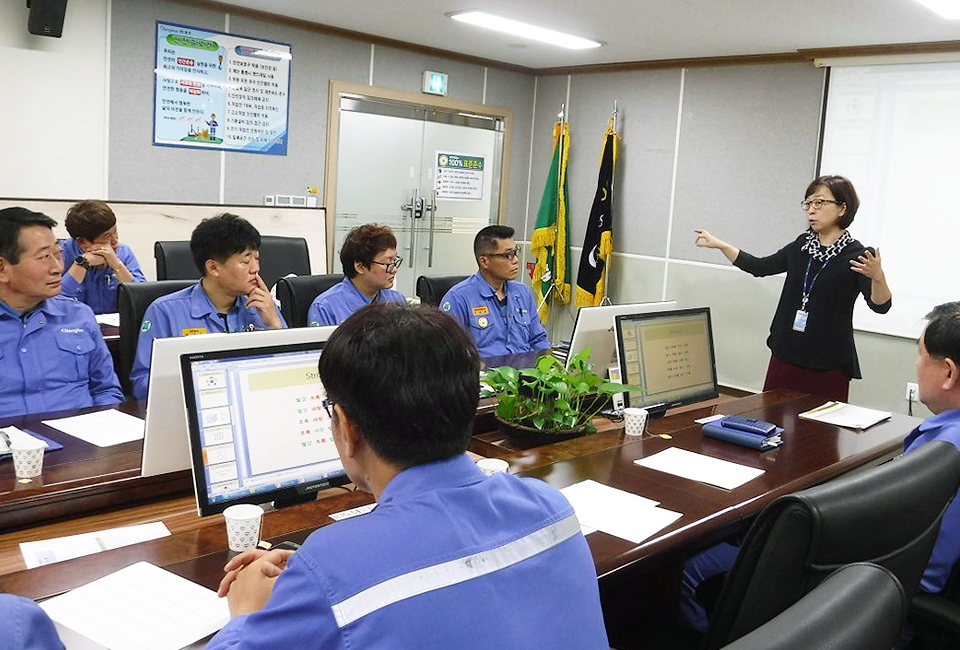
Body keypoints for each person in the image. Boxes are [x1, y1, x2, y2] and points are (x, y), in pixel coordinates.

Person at [206, 302, 608, 649]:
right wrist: (314, 587)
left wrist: (246, 611)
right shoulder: (549, 506)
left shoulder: (332, 565)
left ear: (346, 427)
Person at [694, 175, 892, 402]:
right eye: (808, 204)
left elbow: (880, 306)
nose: (811, 210)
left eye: (819, 202)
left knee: (821, 434)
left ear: (842, 208)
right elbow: (760, 266)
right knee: (770, 424)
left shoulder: (857, 255)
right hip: (786, 355)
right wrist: (721, 245)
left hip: (828, 364)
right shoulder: (801, 246)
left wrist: (878, 277)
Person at [130, 214, 285, 400]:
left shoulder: (263, 307)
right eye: (245, 261)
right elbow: (142, 384)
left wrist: (275, 326)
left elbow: (292, 373)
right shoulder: (165, 312)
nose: (255, 268)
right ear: (213, 268)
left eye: (257, 259)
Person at [0, 207, 123, 417]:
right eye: (44, 257)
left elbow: (106, 390)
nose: (57, 267)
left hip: (85, 440)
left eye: (58, 254)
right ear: (3, 269)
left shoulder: (79, 316)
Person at [904, 301, 960, 595]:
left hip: (897, 608)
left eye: (921, 354)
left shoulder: (943, 453)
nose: (917, 364)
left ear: (949, 373)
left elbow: (920, 574)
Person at [440, 224, 550, 358]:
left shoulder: (522, 293)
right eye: (508, 255)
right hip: (485, 376)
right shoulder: (458, 298)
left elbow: (538, 339)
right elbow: (449, 353)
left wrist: (547, 368)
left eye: (515, 252)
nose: (515, 260)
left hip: (526, 373)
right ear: (484, 261)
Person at [307, 224, 405, 326]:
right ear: (360, 267)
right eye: (388, 263)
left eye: (395, 261)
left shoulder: (397, 301)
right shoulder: (325, 308)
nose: (394, 269)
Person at [59, 200, 145, 314]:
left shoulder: (124, 252)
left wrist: (117, 264)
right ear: (83, 242)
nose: (115, 240)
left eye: (115, 231)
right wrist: (83, 263)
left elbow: (142, 298)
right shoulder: (58, 255)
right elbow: (54, 301)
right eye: (108, 236)